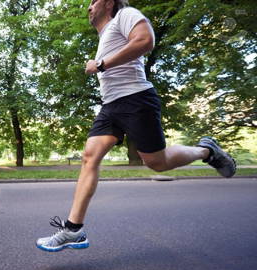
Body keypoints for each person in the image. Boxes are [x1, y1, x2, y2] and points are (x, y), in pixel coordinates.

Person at [36, 0, 236, 252]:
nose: (88, 7)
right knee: (89, 157)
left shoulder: (125, 15)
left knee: (156, 162)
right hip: (111, 106)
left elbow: (145, 41)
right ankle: (73, 230)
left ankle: (207, 151)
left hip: (136, 99)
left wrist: (100, 64)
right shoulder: (105, 36)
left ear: (108, 3)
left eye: (93, 1)